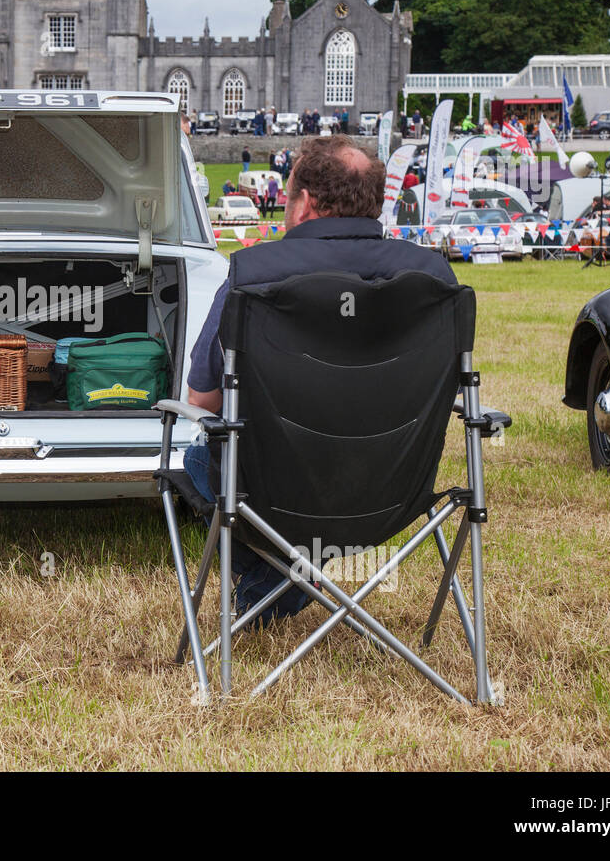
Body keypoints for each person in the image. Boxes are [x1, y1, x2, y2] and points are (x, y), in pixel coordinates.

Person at [184, 135, 457, 628]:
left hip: (274, 491)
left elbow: (201, 400)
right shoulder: (435, 276)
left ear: (305, 202)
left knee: (198, 457)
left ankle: (277, 585)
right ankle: (289, 580)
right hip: (393, 490)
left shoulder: (252, 273)